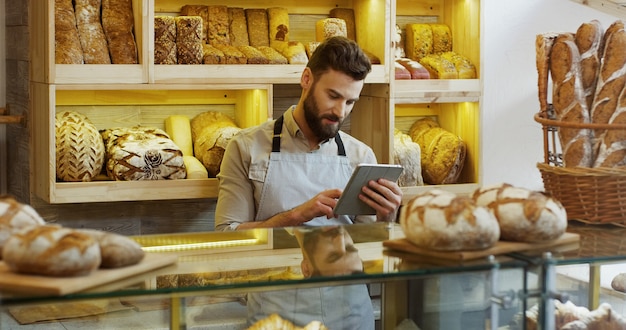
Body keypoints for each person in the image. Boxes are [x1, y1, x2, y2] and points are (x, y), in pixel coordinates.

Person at [215, 36, 403, 231]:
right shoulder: (245, 147)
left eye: (350, 102)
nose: (340, 112)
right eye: (333, 96)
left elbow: (368, 247)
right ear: (306, 79)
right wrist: (297, 216)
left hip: (340, 262)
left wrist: (386, 218)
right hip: (272, 262)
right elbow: (227, 234)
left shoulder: (361, 156)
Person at [246, 225, 375, 329]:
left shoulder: (267, 294)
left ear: (306, 269)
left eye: (333, 256)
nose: (340, 236)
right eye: (349, 248)